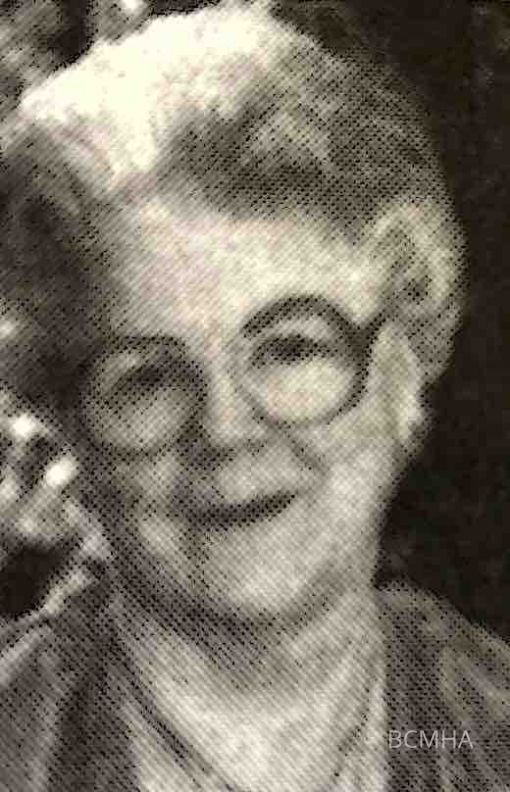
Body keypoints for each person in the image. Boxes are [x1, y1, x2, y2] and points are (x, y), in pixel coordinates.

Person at [0, 2, 509, 790]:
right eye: (147, 378)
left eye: (290, 348)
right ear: (69, 425)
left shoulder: (490, 723)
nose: (227, 430)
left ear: (405, 368)